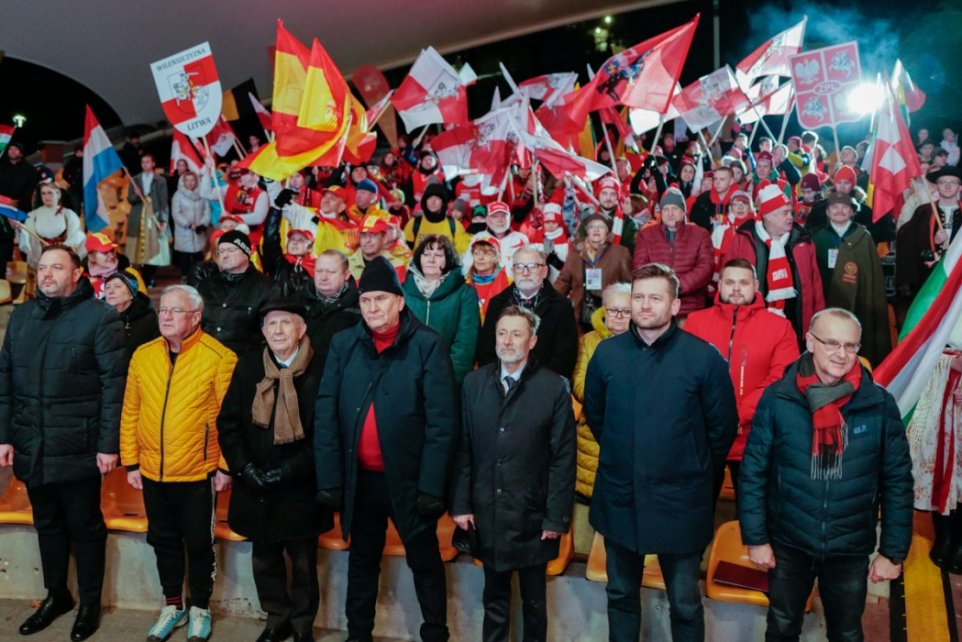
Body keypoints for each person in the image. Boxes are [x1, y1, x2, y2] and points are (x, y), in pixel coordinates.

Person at [739, 308, 913, 642]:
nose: (841, 354)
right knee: (781, 627)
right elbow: (753, 472)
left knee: (847, 633)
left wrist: (892, 552)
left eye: (850, 346)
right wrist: (757, 538)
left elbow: (897, 481)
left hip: (849, 547)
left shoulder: (878, 403)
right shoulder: (778, 398)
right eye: (831, 343)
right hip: (788, 543)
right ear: (809, 342)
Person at [584, 263, 737, 642]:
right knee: (620, 594)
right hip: (621, 496)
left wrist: (693, 471)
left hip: (681, 502)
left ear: (675, 305)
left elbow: (721, 430)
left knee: (684, 601)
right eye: (639, 297)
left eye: (655, 297)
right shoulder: (606, 355)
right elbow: (598, 417)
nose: (645, 306)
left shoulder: (704, 358)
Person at [314, 257, 458, 642]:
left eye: (381, 299)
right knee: (361, 560)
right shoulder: (345, 344)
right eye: (366, 301)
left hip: (410, 482)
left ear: (399, 300)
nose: (373, 308)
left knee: (424, 561)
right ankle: (358, 634)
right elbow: (326, 412)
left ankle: (435, 634)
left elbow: (443, 422)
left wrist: (432, 487)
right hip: (360, 480)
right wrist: (330, 479)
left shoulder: (427, 344)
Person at [0, 245, 126, 641]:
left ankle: (89, 602)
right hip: (32, 443)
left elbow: (113, 389)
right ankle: (57, 595)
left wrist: (108, 445)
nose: (48, 273)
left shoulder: (100, 318)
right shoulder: (22, 317)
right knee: (47, 525)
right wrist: (4, 435)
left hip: (79, 444)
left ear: (77, 274)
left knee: (85, 527)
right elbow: (4, 381)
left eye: (57, 267)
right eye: (42, 267)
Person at [451, 305, 576, 642]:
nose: (507, 341)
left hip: (533, 513)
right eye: (502, 333)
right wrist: (461, 504)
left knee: (534, 603)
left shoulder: (553, 388)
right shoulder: (474, 383)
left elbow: (563, 459)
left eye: (516, 334)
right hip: (487, 509)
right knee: (494, 599)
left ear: (532, 340)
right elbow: (463, 448)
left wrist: (555, 519)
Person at [120, 284, 237, 642]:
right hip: (153, 469)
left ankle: (200, 606)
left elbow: (230, 420)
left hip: (198, 472)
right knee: (164, 541)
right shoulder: (143, 355)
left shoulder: (220, 358)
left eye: (175, 311)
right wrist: (131, 461)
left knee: (199, 543)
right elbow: (131, 411)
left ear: (196, 317)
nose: (166, 317)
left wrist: (224, 466)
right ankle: (173, 605)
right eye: (163, 311)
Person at [218, 299, 331, 642]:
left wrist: (287, 472)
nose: (278, 330)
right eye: (271, 324)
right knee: (264, 559)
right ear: (264, 331)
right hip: (256, 484)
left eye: (285, 323)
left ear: (301, 329)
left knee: (302, 563)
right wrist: (244, 468)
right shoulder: (250, 365)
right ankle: (276, 618)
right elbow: (228, 423)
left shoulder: (320, 368)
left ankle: (301, 625)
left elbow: (326, 433)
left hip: (300, 485)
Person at [684, 259, 799, 494]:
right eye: (730, 282)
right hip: (705, 436)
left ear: (756, 285)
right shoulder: (696, 322)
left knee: (754, 512)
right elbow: (684, 375)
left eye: (743, 282)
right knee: (696, 508)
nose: (736, 288)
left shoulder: (780, 327)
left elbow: (782, 378)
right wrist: (716, 416)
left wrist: (738, 414)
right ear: (720, 285)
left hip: (755, 436)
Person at [724, 184, 825, 345]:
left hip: (797, 327)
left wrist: (819, 324)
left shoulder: (803, 241)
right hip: (753, 326)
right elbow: (727, 281)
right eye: (785, 213)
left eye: (790, 212)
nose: (790, 217)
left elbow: (816, 286)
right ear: (769, 216)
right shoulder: (744, 239)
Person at [811, 192, 892, 366]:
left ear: (852, 211)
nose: (839, 211)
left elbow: (872, 280)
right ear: (827, 211)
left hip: (858, 304)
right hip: (825, 301)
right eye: (834, 207)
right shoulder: (816, 238)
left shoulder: (863, 238)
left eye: (844, 207)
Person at [476, 247, 579, 379]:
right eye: (519, 267)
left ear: (544, 271)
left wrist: (531, 383)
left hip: (545, 385)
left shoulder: (561, 306)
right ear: (513, 271)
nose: (525, 272)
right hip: (501, 383)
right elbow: (486, 352)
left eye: (533, 266)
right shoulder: (497, 304)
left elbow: (564, 358)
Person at [906, 337, 962, 574]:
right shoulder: (944, 298)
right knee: (940, 464)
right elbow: (921, 339)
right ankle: (945, 536)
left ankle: (960, 543)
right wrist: (948, 362)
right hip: (941, 390)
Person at [401, 235, 480, 384]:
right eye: (426, 254)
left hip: (445, 378)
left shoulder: (465, 293)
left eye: (438, 255)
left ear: (448, 260)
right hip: (406, 376)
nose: (431, 260)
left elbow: (465, 345)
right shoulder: (402, 291)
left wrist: (450, 379)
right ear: (419, 258)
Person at [632, 187, 714, 320]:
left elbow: (706, 267)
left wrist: (677, 286)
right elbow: (640, 267)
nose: (670, 213)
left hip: (690, 309)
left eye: (675, 209)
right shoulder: (646, 235)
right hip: (657, 308)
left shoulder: (700, 234)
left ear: (683, 212)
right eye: (666, 209)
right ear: (661, 212)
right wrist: (661, 289)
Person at [191, 230, 277, 355]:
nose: (224, 255)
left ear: (246, 252)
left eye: (231, 250)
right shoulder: (206, 285)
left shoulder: (267, 288)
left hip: (244, 360)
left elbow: (270, 334)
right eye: (220, 252)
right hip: (205, 358)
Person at [896, 165, 962, 325]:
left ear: (960, 187)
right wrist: (931, 240)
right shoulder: (924, 211)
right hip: (929, 277)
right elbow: (905, 240)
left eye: (952, 182)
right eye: (943, 182)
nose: (947, 186)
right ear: (936, 186)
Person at [555, 213, 632, 331]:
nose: (596, 229)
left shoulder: (621, 253)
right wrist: (548, 299)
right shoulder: (575, 253)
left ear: (607, 231)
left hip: (611, 317)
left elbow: (629, 284)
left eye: (601, 226)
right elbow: (563, 282)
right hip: (580, 317)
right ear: (587, 231)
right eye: (592, 226)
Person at [302, 250, 362, 364]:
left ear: (346, 275)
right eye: (319, 271)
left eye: (331, 272)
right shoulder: (298, 301)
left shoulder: (360, 306)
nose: (323, 277)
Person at [125, 153, 170, 286]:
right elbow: (130, 199)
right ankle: (143, 277)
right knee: (138, 248)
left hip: (153, 215)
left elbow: (163, 202)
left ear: (153, 163)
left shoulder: (160, 180)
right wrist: (137, 195)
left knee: (154, 246)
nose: (145, 164)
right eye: (143, 162)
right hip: (138, 216)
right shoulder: (135, 179)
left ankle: (150, 276)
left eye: (148, 162)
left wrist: (163, 220)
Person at [103, 270, 159, 360]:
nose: (111, 291)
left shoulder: (148, 319)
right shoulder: (98, 316)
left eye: (117, 287)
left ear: (131, 294)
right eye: (107, 287)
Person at [403, 183, 471, 254]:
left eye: (437, 198)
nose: (433, 202)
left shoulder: (455, 225)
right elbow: (405, 252)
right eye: (430, 198)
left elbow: (461, 254)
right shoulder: (414, 223)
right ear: (425, 201)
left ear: (443, 202)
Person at [171, 170, 211, 278]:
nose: (190, 183)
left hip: (199, 230)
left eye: (192, 180)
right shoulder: (178, 195)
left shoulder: (202, 195)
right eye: (187, 180)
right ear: (183, 182)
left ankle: (200, 276)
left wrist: (202, 223)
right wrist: (188, 224)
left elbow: (207, 211)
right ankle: (185, 276)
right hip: (185, 231)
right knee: (185, 256)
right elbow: (176, 213)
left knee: (199, 255)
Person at [463, 233, 511, 322]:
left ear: (497, 258)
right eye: (476, 253)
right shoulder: (464, 285)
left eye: (487, 254)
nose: (480, 258)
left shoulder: (509, 283)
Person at [348, 215, 406, 281]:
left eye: (373, 235)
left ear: (384, 238)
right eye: (363, 235)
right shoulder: (347, 265)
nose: (367, 240)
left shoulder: (397, 264)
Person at [689, 165, 735, 232]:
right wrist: (708, 221)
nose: (717, 182)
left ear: (731, 181)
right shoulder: (703, 198)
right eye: (715, 179)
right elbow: (694, 220)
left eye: (722, 179)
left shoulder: (737, 199)